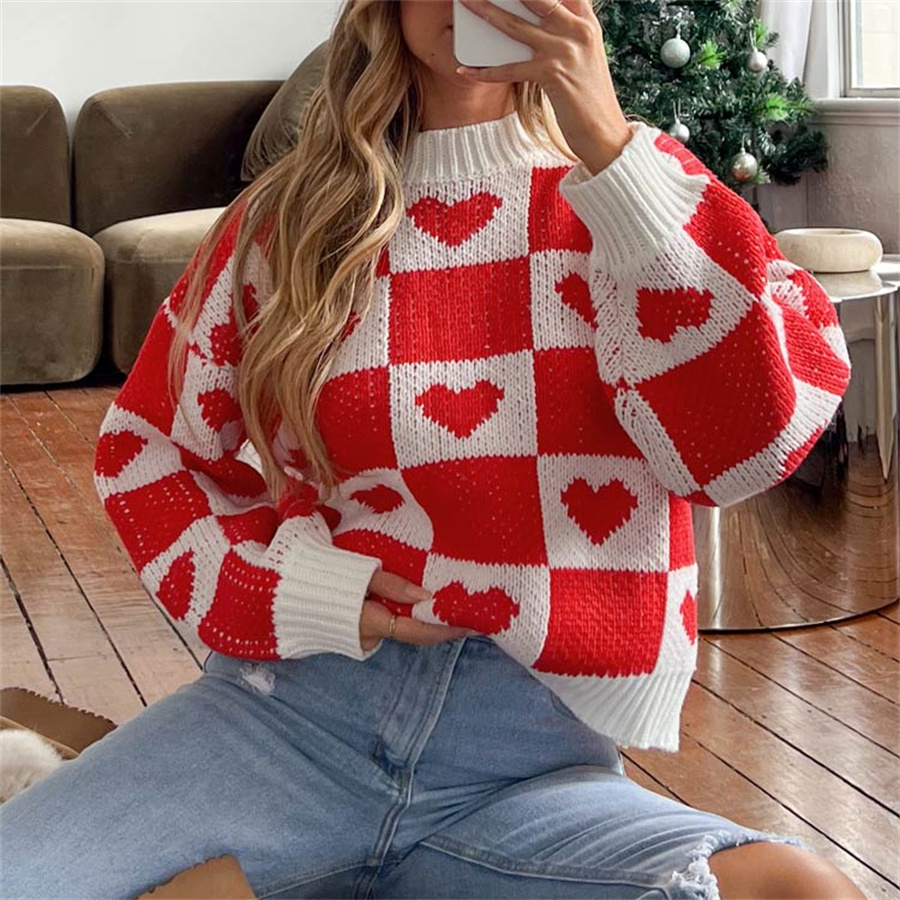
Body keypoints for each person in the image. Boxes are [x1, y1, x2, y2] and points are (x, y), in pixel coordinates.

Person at [0, 1, 866, 898]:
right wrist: (300, 590)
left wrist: (611, 152)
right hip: (285, 725)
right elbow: (147, 451)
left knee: (798, 890)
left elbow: (740, 453)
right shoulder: (286, 221)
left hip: (528, 771)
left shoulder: (647, 196)